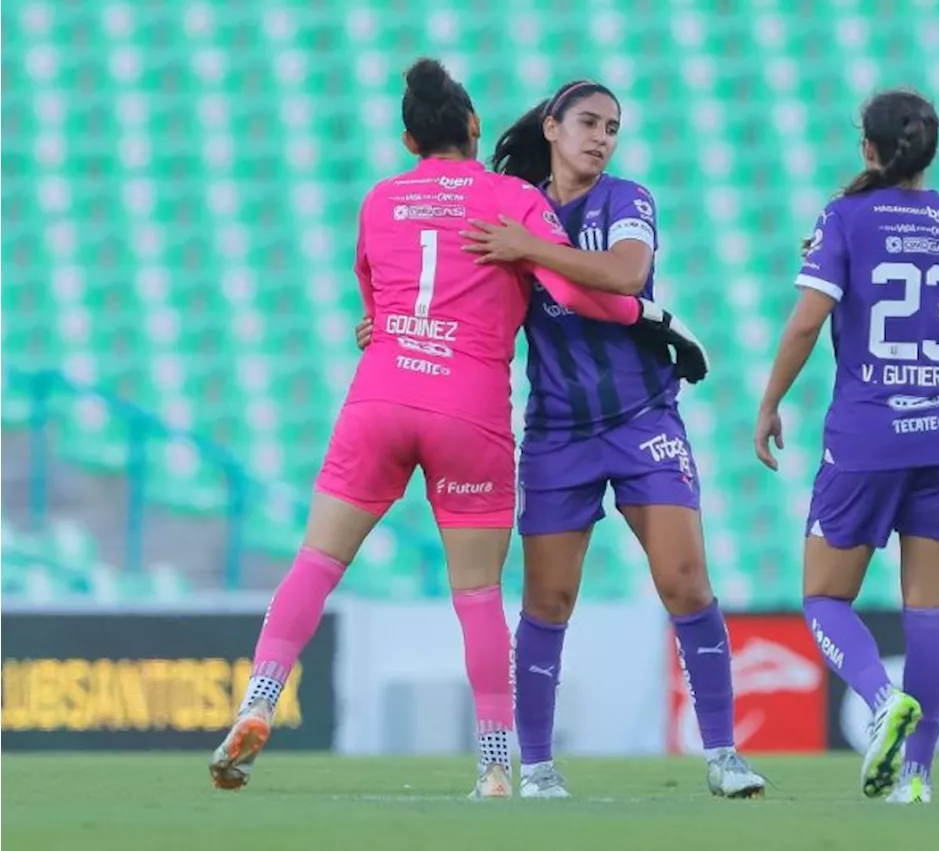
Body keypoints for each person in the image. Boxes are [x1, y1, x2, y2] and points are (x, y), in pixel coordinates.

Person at [210, 58, 707, 800]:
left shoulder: (380, 200)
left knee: (316, 560)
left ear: (410, 140)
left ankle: (258, 699)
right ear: (474, 128)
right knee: (476, 595)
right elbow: (578, 289)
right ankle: (496, 765)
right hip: (468, 410)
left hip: (380, 397)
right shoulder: (510, 199)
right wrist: (655, 319)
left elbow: (375, 306)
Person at [357, 79, 764, 800]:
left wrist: (532, 250)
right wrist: (390, 328)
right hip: (556, 430)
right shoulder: (512, 207)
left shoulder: (625, 200)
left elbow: (625, 273)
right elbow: (451, 294)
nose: (602, 137)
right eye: (587, 122)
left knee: (684, 581)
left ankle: (725, 753)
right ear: (551, 127)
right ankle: (538, 767)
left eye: (612, 126)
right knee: (548, 599)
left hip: (642, 417)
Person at [753, 89, 939, 805]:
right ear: (930, 150)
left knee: (823, 598)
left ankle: (878, 699)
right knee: (927, 610)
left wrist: (771, 401)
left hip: (868, 436)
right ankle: (918, 779)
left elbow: (808, 324)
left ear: (868, 149)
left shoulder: (845, 218)